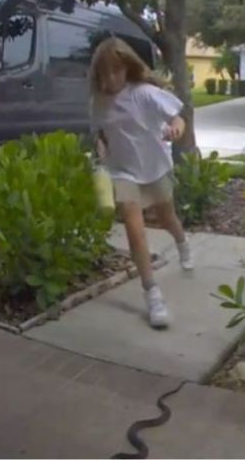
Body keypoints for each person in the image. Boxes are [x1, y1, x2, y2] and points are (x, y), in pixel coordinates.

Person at [89, 37, 194, 329]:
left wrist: (175, 128)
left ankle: (182, 243)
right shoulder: (98, 102)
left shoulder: (145, 93)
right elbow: (99, 132)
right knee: (135, 232)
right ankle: (153, 295)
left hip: (155, 168)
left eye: (116, 71)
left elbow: (178, 116)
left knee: (166, 217)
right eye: (104, 73)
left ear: (127, 68)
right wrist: (100, 146)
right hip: (123, 172)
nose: (110, 79)